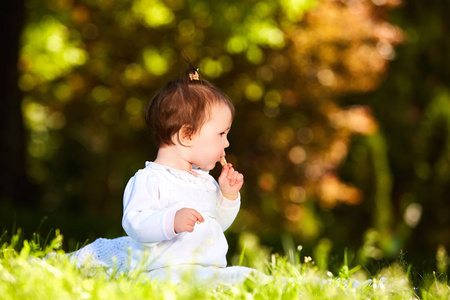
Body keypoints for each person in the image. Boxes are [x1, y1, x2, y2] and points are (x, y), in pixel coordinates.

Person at [70, 63, 262, 285]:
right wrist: (171, 221)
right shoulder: (151, 179)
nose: (226, 143)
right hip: (162, 271)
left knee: (245, 277)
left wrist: (228, 197)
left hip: (206, 270)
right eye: (221, 134)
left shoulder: (205, 181)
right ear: (186, 135)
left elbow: (217, 225)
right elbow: (135, 222)